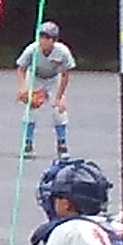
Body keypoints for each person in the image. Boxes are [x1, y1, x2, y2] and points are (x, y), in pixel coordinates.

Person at [16, 21, 77, 157]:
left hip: (54, 78)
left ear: (54, 40)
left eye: (47, 37)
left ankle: (62, 144)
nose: (43, 40)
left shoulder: (62, 52)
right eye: (42, 36)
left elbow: (65, 74)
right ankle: (28, 143)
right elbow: (21, 69)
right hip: (35, 77)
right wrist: (23, 88)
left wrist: (59, 97)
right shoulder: (32, 49)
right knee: (31, 110)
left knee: (58, 111)